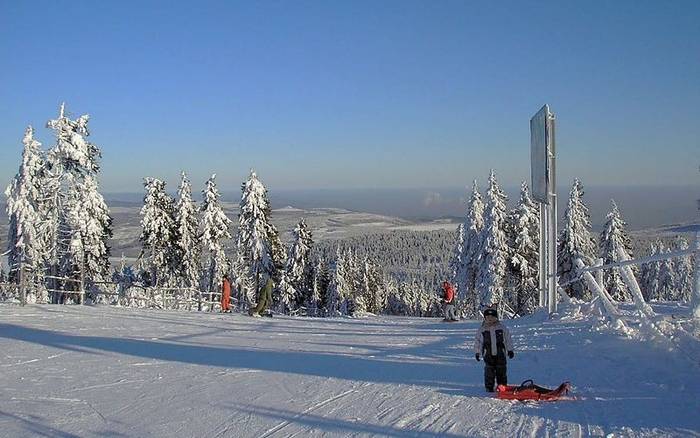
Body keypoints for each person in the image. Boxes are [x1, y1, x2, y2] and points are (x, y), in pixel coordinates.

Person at [474, 307, 515, 392]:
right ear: (485, 318)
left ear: (496, 318)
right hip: (488, 353)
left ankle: (502, 386)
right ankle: (489, 387)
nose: (490, 319)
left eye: (492, 317)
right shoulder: (482, 329)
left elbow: (508, 339)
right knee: (489, 371)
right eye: (488, 318)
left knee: (501, 370)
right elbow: (478, 341)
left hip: (501, 353)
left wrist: (510, 350)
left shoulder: (502, 328)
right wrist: (477, 352)